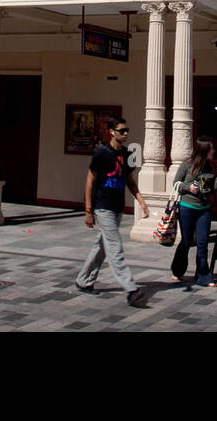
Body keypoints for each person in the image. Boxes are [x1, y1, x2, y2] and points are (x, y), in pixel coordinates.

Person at [76, 117, 151, 307]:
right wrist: (88, 210)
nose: (126, 133)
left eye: (127, 130)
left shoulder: (126, 155)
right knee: (115, 246)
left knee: (102, 245)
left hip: (117, 208)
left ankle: (83, 280)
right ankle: (131, 289)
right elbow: (90, 181)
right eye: (122, 130)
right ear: (112, 132)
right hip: (103, 207)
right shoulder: (102, 153)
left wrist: (142, 203)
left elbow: (130, 182)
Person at [171, 136, 217, 287]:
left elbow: (214, 188)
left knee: (202, 243)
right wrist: (188, 188)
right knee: (187, 241)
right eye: (211, 149)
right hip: (187, 207)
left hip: (204, 209)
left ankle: (203, 275)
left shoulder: (210, 166)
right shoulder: (187, 164)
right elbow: (176, 182)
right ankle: (177, 269)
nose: (214, 151)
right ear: (204, 150)